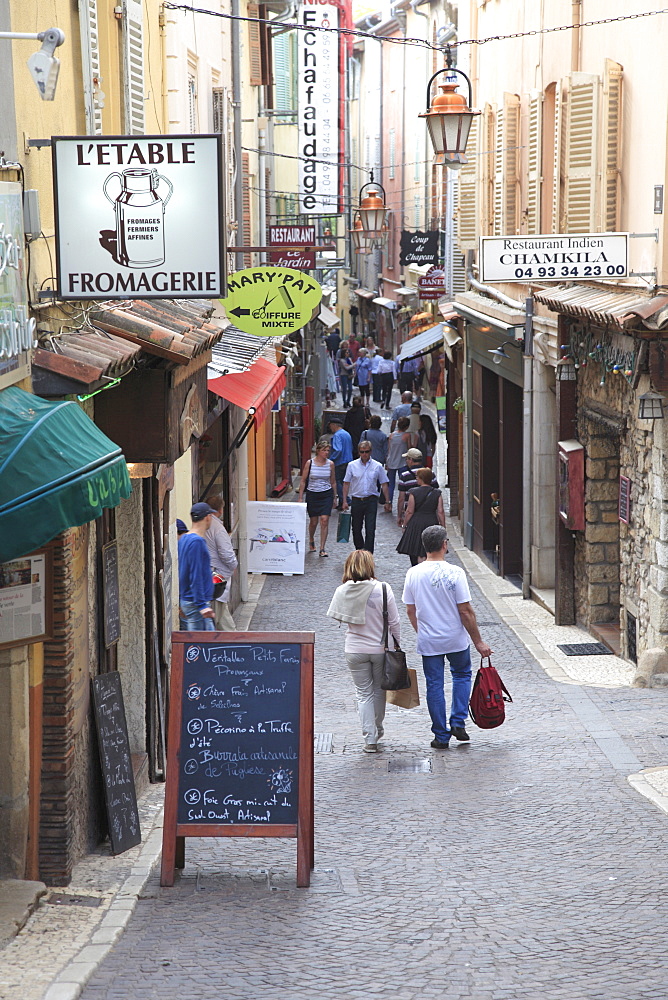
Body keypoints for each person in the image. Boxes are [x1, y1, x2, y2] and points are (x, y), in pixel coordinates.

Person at [402, 525, 493, 749]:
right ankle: (458, 721)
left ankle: (441, 736)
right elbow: (465, 610)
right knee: (461, 675)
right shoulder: (456, 573)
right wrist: (478, 641)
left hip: (429, 639)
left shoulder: (413, 573)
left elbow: (410, 610)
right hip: (455, 638)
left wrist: (421, 631)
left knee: (434, 685)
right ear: (444, 544)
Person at [326, 550, 400, 753]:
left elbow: (338, 617)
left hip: (354, 649)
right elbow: (394, 622)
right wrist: (396, 645)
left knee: (363, 694)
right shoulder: (383, 589)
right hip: (379, 648)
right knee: (378, 691)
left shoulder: (343, 590)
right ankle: (377, 729)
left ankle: (370, 739)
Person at [342, 441, 391, 552]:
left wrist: (388, 501)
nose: (364, 454)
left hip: (371, 500)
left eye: (367, 452)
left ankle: (368, 554)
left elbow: (384, 483)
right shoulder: (352, 465)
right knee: (356, 528)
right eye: (362, 452)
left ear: (371, 451)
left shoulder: (377, 466)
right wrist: (344, 500)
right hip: (356, 500)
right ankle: (360, 551)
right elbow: (346, 483)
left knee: (370, 529)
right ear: (359, 452)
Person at [178, 502, 217, 631]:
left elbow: (181, 571)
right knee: (202, 646)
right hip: (196, 603)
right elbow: (196, 574)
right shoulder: (197, 542)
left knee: (203, 644)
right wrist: (202, 605)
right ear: (207, 517)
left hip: (188, 600)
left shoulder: (184, 539)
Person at [396, 468, 445, 565]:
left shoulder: (413, 492)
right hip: (431, 521)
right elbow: (440, 511)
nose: (416, 479)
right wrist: (443, 527)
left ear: (422, 478)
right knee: (430, 548)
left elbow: (409, 511)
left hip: (416, 523)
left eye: (417, 477)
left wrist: (405, 525)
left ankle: (416, 568)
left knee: (415, 548)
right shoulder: (437, 493)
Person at [204, 495, 238, 631]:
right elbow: (226, 553)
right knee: (217, 618)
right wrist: (234, 565)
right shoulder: (218, 528)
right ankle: (234, 641)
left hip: (211, 576)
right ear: (221, 510)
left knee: (222, 617)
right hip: (217, 578)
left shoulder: (204, 524)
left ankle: (235, 639)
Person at [297, 438, 336, 557]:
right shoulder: (310, 463)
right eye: (324, 450)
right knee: (313, 522)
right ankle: (311, 538)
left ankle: (322, 548)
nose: (326, 453)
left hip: (326, 494)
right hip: (313, 494)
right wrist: (300, 497)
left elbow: (333, 481)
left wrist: (335, 497)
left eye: (328, 451)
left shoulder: (330, 464)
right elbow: (303, 480)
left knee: (324, 520)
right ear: (318, 451)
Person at [397, 448, 439, 525]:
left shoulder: (404, 476)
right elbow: (436, 493)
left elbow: (401, 498)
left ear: (411, 460)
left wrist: (399, 516)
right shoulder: (430, 473)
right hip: (429, 513)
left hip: (411, 514)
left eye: (407, 459)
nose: (406, 461)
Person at [385, 416, 414, 504]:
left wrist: (387, 462)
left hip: (391, 461)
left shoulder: (391, 435)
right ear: (407, 426)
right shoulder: (407, 435)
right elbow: (409, 448)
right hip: (403, 462)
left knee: (391, 484)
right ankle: (404, 503)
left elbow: (389, 450)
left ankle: (388, 502)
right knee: (404, 484)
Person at [328, 416, 353, 509]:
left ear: (334, 425)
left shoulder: (337, 435)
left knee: (338, 481)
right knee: (344, 481)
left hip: (340, 461)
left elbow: (338, 449)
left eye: (331, 426)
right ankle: (344, 500)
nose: (330, 428)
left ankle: (345, 499)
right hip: (348, 460)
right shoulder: (346, 434)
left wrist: (331, 459)